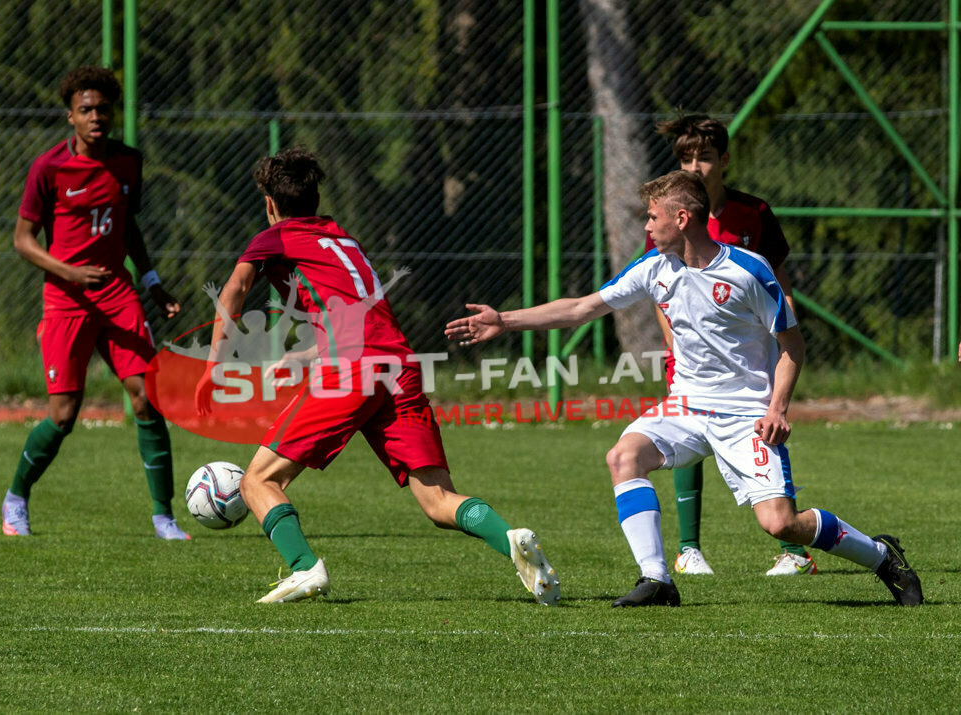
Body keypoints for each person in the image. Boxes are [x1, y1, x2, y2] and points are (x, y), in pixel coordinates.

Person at [446, 170, 923, 608]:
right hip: (686, 406)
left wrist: (777, 409)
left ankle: (882, 556)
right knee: (623, 457)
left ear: (682, 218)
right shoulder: (655, 267)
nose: (647, 226)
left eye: (653, 217)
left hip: (746, 414)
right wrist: (505, 320)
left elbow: (792, 346)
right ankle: (657, 579)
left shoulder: (748, 271)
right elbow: (581, 308)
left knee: (782, 524)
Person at [195, 147, 560, 605]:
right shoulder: (343, 240)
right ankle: (510, 537)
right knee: (437, 501)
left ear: (270, 204)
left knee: (258, 482)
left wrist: (213, 366)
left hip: (351, 371)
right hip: (398, 367)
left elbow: (234, 289)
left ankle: (304, 568)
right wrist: (307, 353)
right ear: (315, 198)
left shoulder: (277, 236)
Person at [1, 66, 188, 540]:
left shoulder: (128, 162)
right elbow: (23, 240)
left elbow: (128, 226)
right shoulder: (48, 168)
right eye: (86, 110)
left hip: (119, 295)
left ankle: (163, 517)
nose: (96, 117)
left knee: (147, 398)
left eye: (103, 109)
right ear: (71, 116)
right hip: (66, 300)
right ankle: (16, 498)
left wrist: (152, 282)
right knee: (64, 415)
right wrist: (69, 272)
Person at [646, 114, 811, 577]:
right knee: (683, 432)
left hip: (750, 353)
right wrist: (673, 343)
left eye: (703, 157)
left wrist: (786, 328)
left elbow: (777, 277)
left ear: (724, 160)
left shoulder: (752, 213)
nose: (694, 167)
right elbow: (659, 286)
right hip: (691, 355)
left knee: (766, 430)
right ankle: (689, 549)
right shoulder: (668, 215)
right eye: (685, 158)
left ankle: (795, 549)